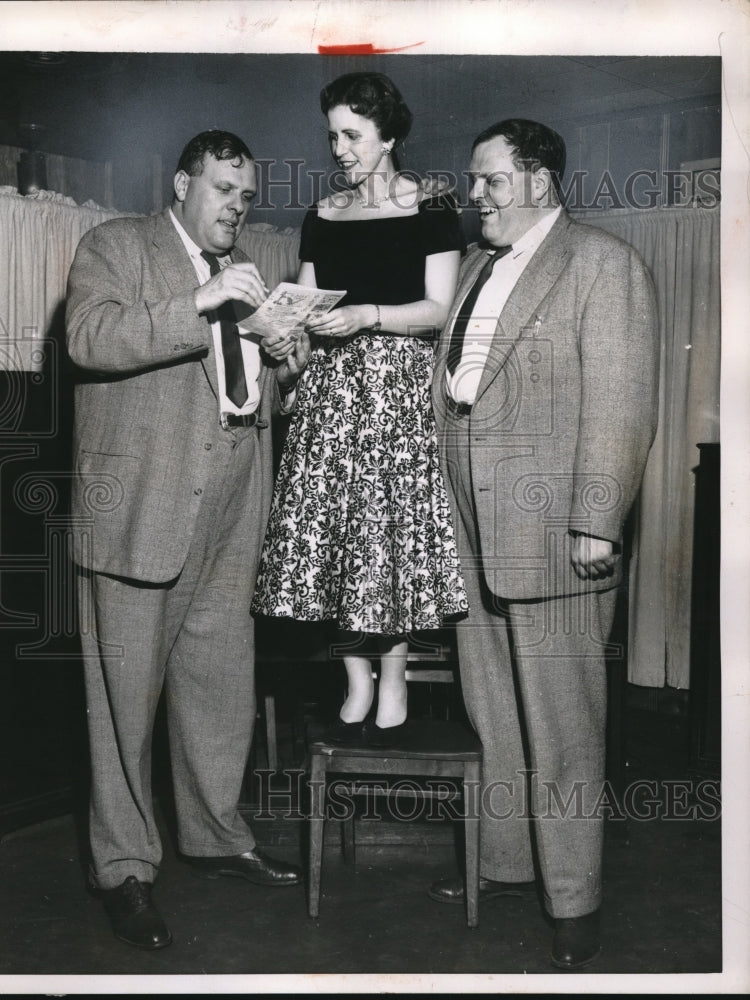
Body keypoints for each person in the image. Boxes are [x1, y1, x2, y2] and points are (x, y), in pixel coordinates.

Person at [65, 129, 309, 950]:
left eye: (247, 196)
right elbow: (89, 340)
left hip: (236, 497)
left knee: (219, 682)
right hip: (143, 505)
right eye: (223, 190)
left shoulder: (244, 276)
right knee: (124, 703)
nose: (237, 207)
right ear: (181, 184)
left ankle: (215, 835)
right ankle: (125, 868)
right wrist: (200, 304)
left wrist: (285, 354)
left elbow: (248, 387)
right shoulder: (116, 245)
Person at [428, 119, 659, 969]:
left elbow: (624, 400)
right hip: (469, 522)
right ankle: (507, 865)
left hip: (555, 532)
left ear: (539, 180)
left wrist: (597, 517)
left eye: (490, 180)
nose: (476, 195)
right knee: (493, 713)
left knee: (562, 727)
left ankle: (574, 898)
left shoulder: (602, 263)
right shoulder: (481, 269)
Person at [251, 72, 468, 746]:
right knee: (335, 532)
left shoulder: (432, 211)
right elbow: (310, 310)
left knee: (386, 536)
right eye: (333, 135)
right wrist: (286, 335)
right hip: (330, 394)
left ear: (390, 135)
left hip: (397, 391)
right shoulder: (322, 215)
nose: (340, 148)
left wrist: (369, 315)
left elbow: (438, 309)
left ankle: (395, 673)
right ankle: (354, 675)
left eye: (353, 134)